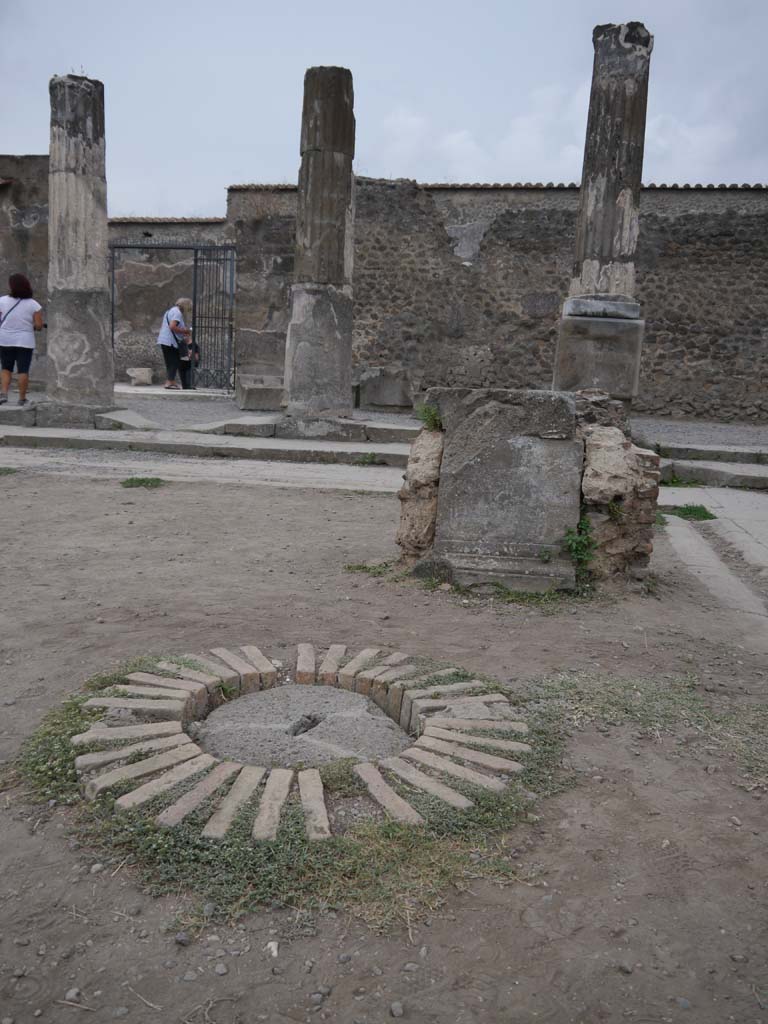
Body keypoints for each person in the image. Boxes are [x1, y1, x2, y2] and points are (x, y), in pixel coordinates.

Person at [0, 273, 43, 407]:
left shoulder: (2, 301)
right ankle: (22, 398)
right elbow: (39, 326)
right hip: (25, 341)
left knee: (6, 368)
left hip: (5, 340)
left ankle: (4, 394)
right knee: (23, 370)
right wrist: (33, 326)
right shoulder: (34, 304)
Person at [157, 297, 193, 390]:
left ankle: (171, 381)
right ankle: (169, 383)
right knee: (174, 361)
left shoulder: (170, 311)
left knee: (170, 362)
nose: (188, 310)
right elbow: (172, 326)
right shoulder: (177, 313)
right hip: (170, 341)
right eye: (188, 308)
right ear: (185, 306)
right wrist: (185, 330)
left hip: (165, 340)